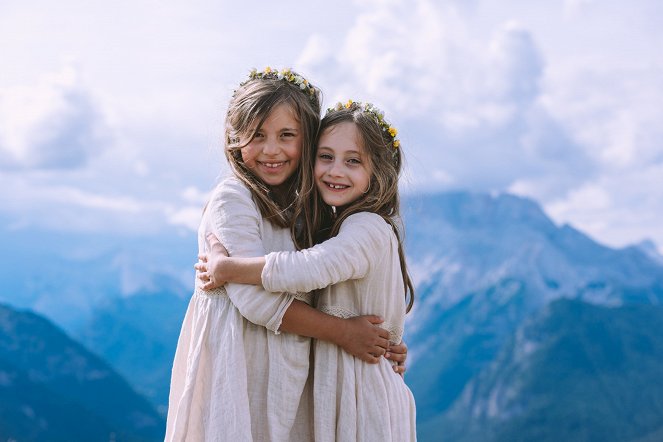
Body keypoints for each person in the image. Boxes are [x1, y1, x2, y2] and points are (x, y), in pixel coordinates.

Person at [165, 69, 406, 442]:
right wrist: (343, 332)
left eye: (287, 135)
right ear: (235, 139)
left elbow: (324, 279)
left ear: (306, 141)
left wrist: (384, 340)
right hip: (240, 370)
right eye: (257, 135)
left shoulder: (312, 212)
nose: (271, 149)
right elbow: (255, 301)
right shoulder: (233, 198)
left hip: (290, 380)